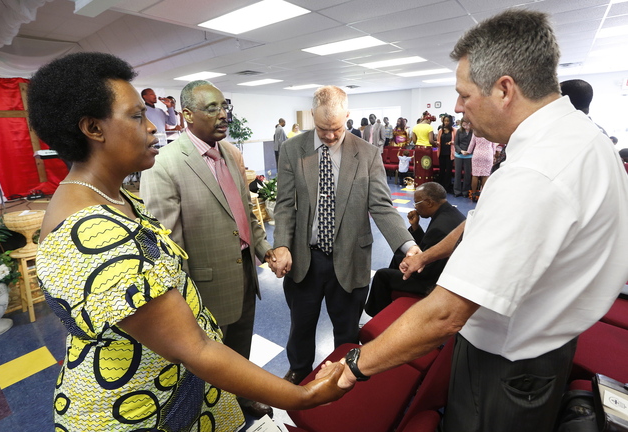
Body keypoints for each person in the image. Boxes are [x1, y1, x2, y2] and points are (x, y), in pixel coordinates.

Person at [322, 10, 628, 432]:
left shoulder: (535, 173)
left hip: (507, 365)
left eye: (464, 94)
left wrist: (353, 368)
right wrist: (428, 254)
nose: (456, 106)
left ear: (505, 89)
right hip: (546, 343)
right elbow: (483, 220)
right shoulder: (578, 137)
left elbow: (443, 315)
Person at [30, 52, 346, 432]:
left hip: (175, 389)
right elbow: (194, 347)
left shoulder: (114, 199)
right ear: (93, 129)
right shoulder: (92, 234)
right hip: (141, 409)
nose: (152, 128)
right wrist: (302, 397)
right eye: (136, 116)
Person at [139, 80, 277, 418]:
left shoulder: (231, 153)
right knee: (206, 362)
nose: (223, 115)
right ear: (187, 115)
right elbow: (166, 245)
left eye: (223, 107)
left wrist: (265, 250)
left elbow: (244, 212)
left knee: (240, 346)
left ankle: (242, 398)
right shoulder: (166, 164)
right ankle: (211, 416)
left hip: (244, 270)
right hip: (203, 287)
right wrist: (182, 304)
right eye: (211, 108)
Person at [268, 85, 419, 385]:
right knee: (301, 325)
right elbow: (285, 204)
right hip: (305, 258)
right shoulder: (292, 150)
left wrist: (408, 245)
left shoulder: (366, 153)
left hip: (350, 257)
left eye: (336, 128)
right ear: (312, 116)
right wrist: (282, 244)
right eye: (322, 128)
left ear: (347, 117)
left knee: (347, 329)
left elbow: (381, 206)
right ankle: (299, 368)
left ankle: (344, 376)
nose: (329, 136)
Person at [364, 182, 465, 316]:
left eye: (417, 203)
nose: (415, 207)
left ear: (429, 202)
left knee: (382, 276)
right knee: (400, 254)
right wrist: (416, 227)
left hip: (432, 281)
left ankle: (377, 315)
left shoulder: (440, 226)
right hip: (444, 271)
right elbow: (432, 248)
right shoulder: (451, 213)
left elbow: (426, 270)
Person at [463, 134, 497, 201]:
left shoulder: (476, 131)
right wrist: (494, 154)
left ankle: (473, 194)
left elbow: (472, 144)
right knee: (485, 175)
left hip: (477, 154)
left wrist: (468, 152)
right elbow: (493, 145)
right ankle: (483, 194)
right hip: (487, 154)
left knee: (475, 175)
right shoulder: (489, 131)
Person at [410, 111, 437, 185]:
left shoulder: (415, 127)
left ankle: (418, 184)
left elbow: (414, 140)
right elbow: (431, 140)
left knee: (418, 167)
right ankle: (427, 184)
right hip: (427, 149)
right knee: (427, 167)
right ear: (428, 119)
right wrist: (436, 144)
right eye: (430, 121)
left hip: (418, 149)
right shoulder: (429, 127)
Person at [453, 117, 472, 197]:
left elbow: (474, 143)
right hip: (459, 154)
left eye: (467, 124)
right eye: (463, 124)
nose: (465, 126)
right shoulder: (459, 131)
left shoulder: (473, 132)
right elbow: (456, 143)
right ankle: (457, 191)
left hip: (469, 155)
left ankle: (465, 191)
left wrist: (469, 151)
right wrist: (461, 151)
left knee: (467, 174)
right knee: (457, 173)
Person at [436, 114, 456, 192]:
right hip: (441, 153)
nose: (446, 122)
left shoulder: (454, 130)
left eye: (448, 121)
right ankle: (440, 186)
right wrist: (436, 143)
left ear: (451, 122)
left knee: (448, 170)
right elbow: (438, 140)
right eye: (445, 121)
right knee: (441, 170)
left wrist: (452, 142)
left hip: (450, 153)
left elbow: (457, 141)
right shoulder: (441, 131)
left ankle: (447, 187)